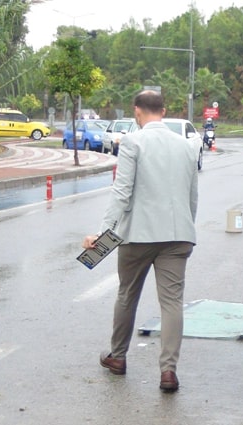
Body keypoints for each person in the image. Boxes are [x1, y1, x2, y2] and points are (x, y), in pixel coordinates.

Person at [81, 89, 199, 392]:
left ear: (137, 111)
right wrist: (186, 228)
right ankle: (168, 372)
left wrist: (102, 232)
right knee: (172, 302)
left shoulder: (133, 142)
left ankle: (117, 357)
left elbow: (122, 192)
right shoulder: (187, 146)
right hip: (178, 236)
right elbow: (192, 196)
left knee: (127, 294)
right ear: (164, 110)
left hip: (138, 237)